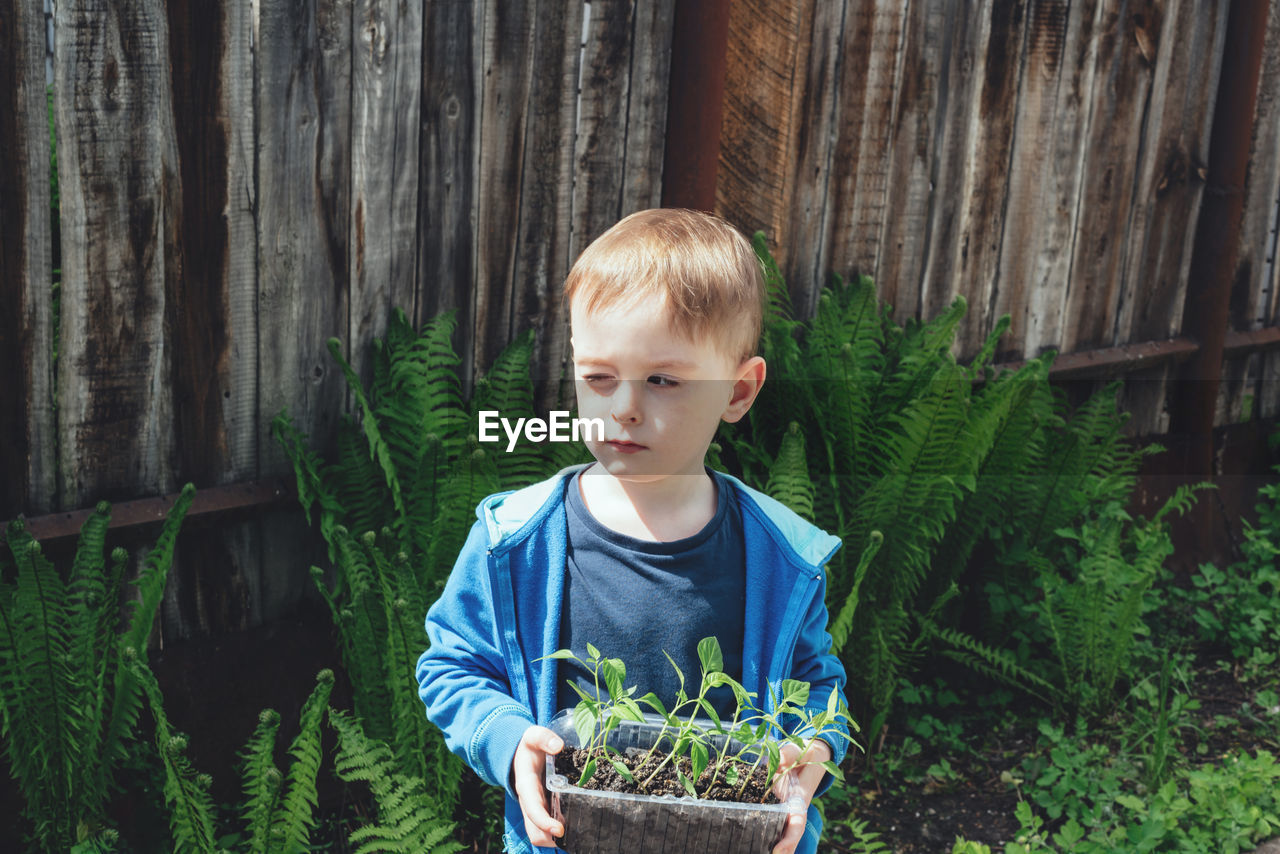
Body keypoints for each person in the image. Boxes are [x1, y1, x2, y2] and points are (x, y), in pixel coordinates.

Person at [415, 208, 849, 854]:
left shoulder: (780, 559)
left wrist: (811, 749)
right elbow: (453, 665)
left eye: (664, 381)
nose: (624, 408)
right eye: (598, 377)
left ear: (738, 390)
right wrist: (508, 740)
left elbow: (818, 685)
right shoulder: (518, 542)